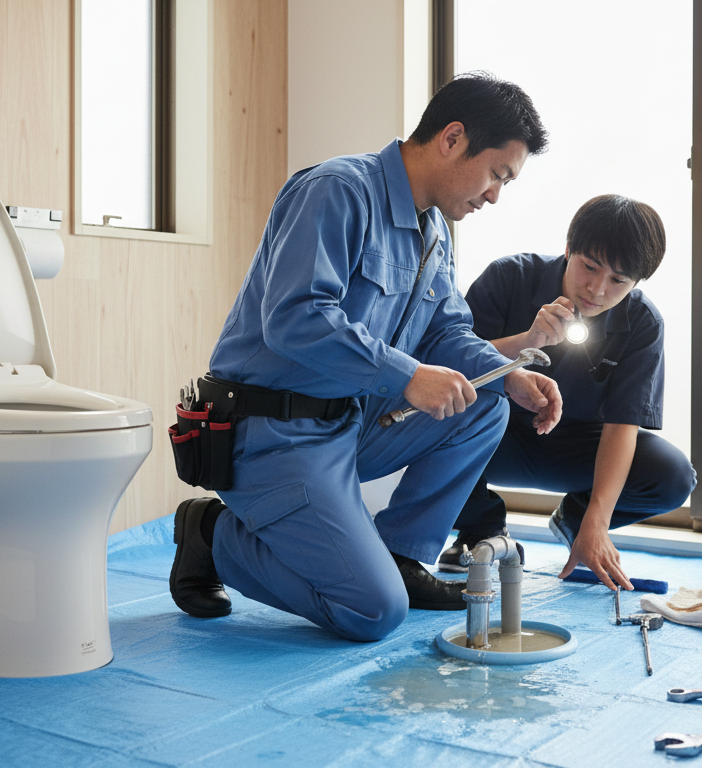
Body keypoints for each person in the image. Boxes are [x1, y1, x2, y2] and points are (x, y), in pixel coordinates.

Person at [169, 73, 563, 642]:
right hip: (272, 432)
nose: (496, 195)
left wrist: (511, 377)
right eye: (498, 174)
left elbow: (447, 330)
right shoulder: (337, 191)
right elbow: (294, 317)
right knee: (374, 612)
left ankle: (401, 555)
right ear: (452, 139)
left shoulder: (436, 232)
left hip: (348, 423)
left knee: (485, 405)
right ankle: (213, 534)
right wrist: (406, 376)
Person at [436, 194, 697, 591]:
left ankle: (575, 521)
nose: (596, 289)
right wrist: (528, 339)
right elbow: (452, 364)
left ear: (637, 282)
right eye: (589, 267)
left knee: (673, 475)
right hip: (491, 436)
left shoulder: (643, 322)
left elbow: (622, 426)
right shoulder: (508, 278)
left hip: (574, 449)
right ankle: (479, 529)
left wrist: (597, 521)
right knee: (449, 405)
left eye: (618, 280)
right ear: (568, 249)